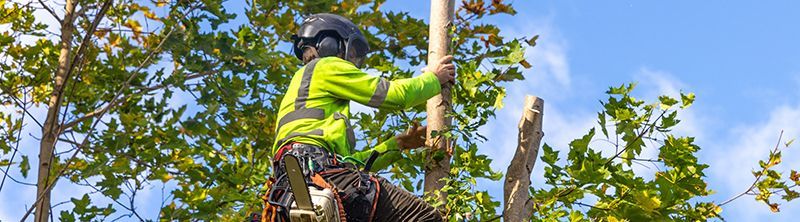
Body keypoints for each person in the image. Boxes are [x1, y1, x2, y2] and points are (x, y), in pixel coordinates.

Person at [268, 13, 455, 222]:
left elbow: (350, 166)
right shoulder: (325, 66)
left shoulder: (304, 106)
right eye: (351, 54)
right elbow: (393, 94)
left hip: (291, 186)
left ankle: (315, 207)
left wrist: (398, 144)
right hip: (318, 172)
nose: (352, 62)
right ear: (329, 44)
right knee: (423, 216)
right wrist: (433, 79)